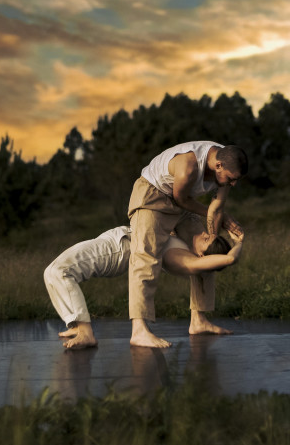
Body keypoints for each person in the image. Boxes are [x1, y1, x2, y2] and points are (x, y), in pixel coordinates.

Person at [44, 223, 244, 350]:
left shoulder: (186, 260)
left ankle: (85, 332)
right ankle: (76, 324)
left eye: (206, 239)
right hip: (115, 240)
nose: (203, 234)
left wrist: (239, 244)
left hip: (119, 248)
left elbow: (228, 260)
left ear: (202, 255)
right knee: (54, 272)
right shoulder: (186, 247)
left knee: (58, 271)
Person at [128, 141, 247, 348]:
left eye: (236, 179)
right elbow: (181, 199)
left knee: (208, 251)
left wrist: (219, 227)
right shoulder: (189, 165)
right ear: (218, 166)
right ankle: (139, 330)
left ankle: (198, 321)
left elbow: (216, 209)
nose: (233, 184)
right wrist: (213, 214)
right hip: (153, 196)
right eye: (231, 179)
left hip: (183, 203)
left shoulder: (226, 160)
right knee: (146, 256)